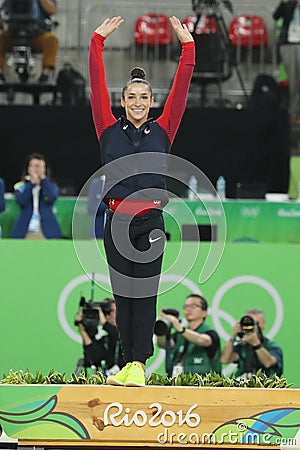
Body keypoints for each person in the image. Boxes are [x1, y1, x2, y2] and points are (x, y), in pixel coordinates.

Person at [89, 16, 195, 387]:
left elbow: (181, 89)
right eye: (131, 97)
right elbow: (95, 86)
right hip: (115, 223)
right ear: (122, 101)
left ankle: (138, 363)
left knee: (145, 292)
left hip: (150, 222)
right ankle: (128, 364)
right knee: (123, 296)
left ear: (152, 102)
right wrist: (96, 42)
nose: (137, 102)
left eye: (144, 97)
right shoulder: (107, 128)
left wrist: (189, 49)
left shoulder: (163, 129)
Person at [156, 294, 221, 377]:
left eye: (193, 306)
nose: (188, 309)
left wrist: (180, 328)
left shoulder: (210, 333)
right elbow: (162, 344)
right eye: (186, 307)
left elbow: (202, 340)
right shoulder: (179, 336)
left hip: (204, 386)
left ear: (204, 313)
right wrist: (161, 328)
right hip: (179, 383)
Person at [0, 0, 58, 83]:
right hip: (13, 35)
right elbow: (3, 12)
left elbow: (52, 10)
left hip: (36, 35)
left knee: (52, 39)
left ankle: (45, 74)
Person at [10, 152, 62, 239]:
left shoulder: (51, 185)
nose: (35, 169)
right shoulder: (20, 186)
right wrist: (31, 184)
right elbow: (21, 201)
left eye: (38, 166)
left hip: (46, 229)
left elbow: (51, 198)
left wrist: (43, 179)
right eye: (32, 166)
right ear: (28, 168)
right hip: (26, 228)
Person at [221, 309, 283, 379]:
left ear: (263, 324)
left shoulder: (272, 346)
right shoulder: (242, 346)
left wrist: (256, 343)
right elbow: (224, 359)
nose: (253, 326)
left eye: (256, 323)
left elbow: (268, 362)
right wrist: (233, 336)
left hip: (267, 386)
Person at [75, 298, 125, 375]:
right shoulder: (106, 340)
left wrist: (105, 324)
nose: (110, 315)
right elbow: (94, 357)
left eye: (112, 311)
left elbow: (119, 335)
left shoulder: (127, 333)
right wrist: (83, 331)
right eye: (107, 312)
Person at [273, 0, 300, 124]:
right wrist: (284, 3)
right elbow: (276, 15)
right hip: (288, 44)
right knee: (293, 81)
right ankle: (293, 114)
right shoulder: (290, 4)